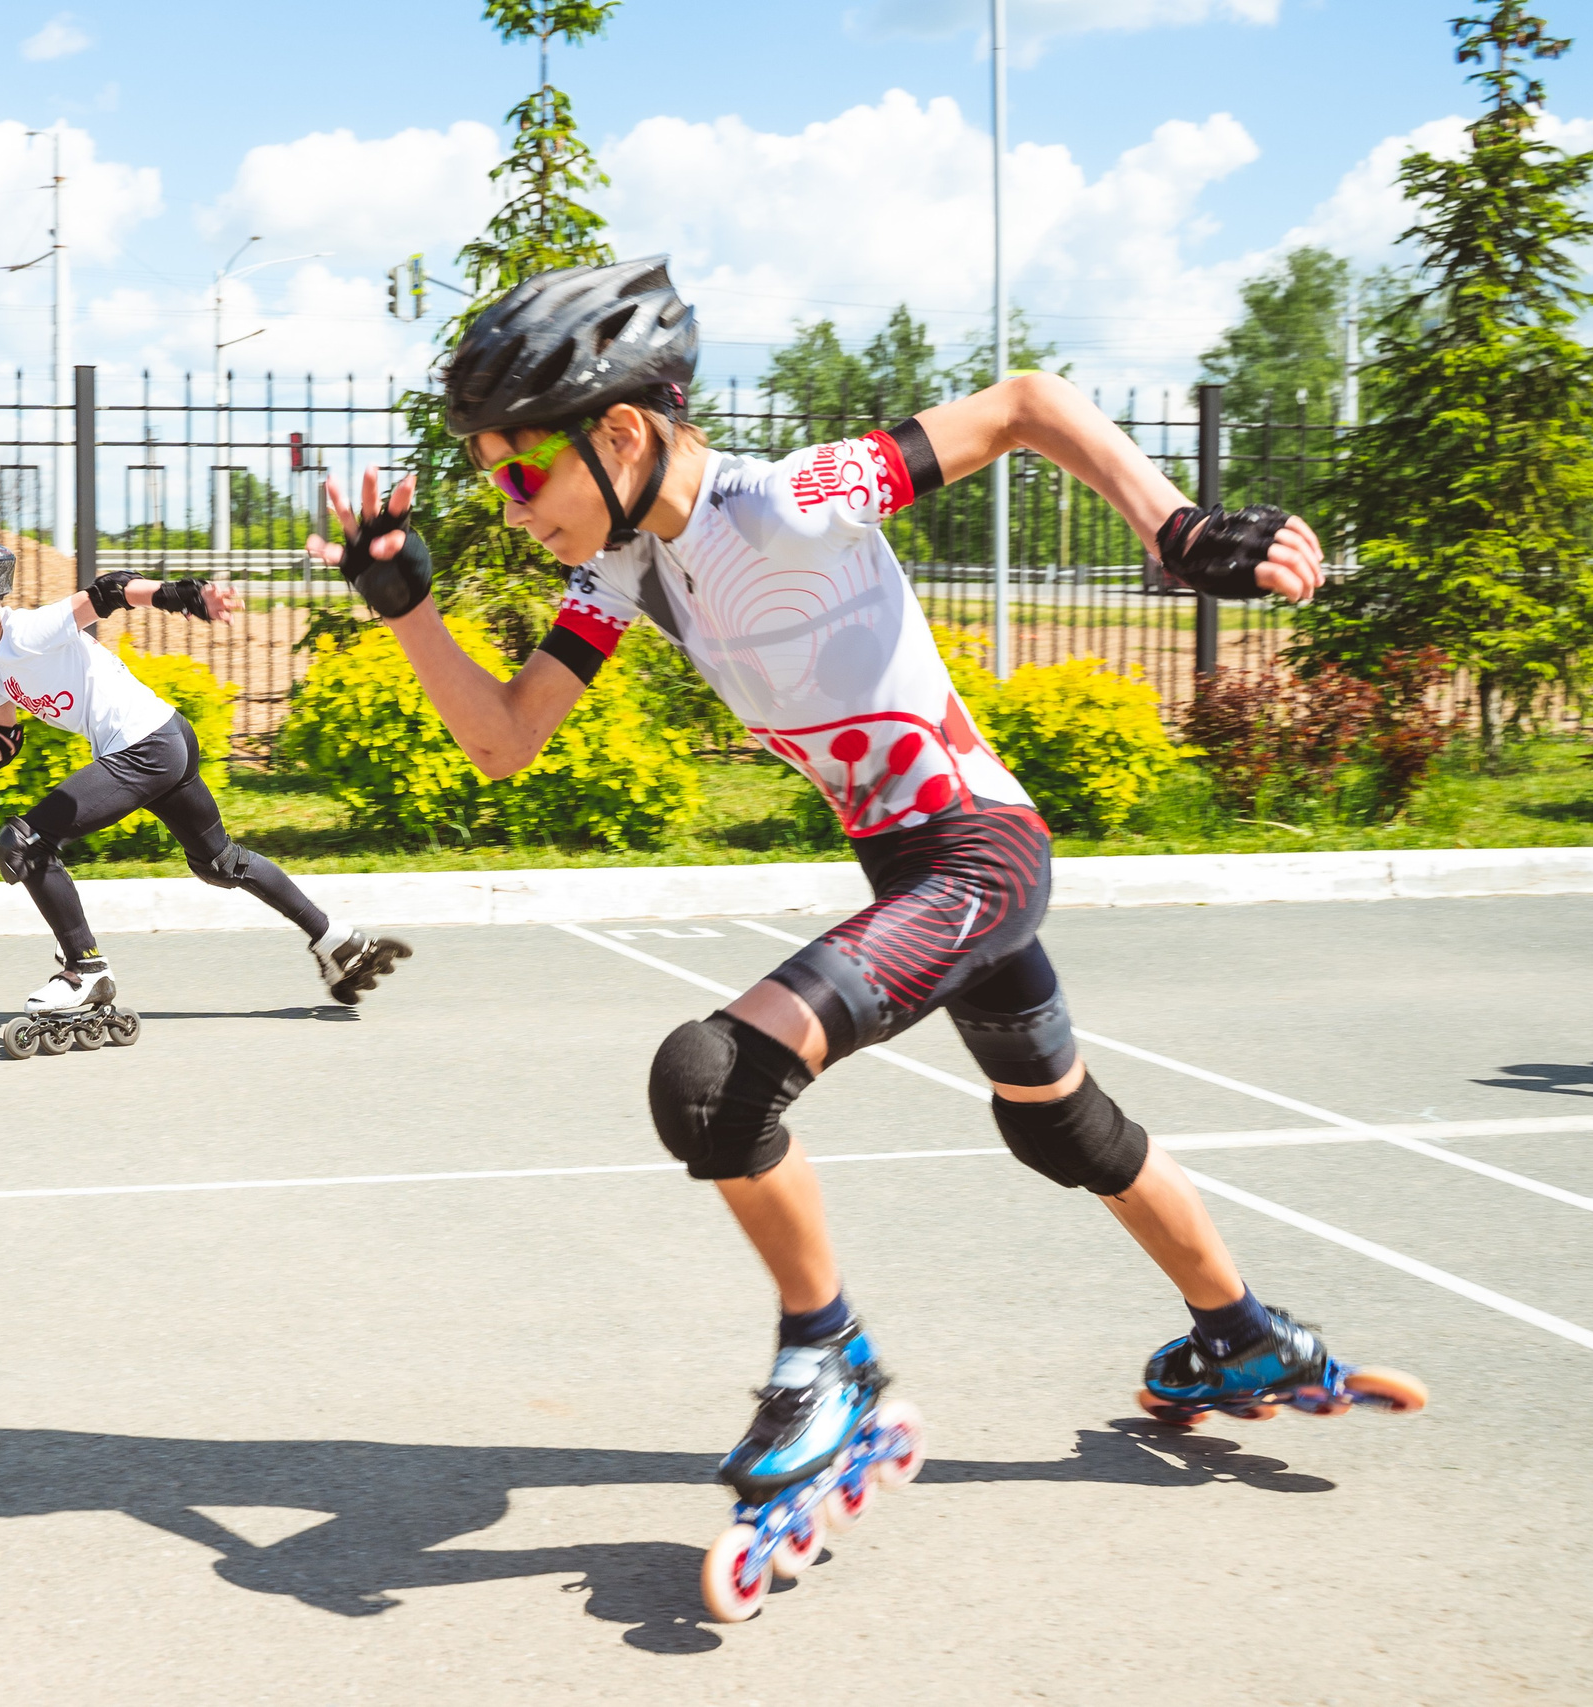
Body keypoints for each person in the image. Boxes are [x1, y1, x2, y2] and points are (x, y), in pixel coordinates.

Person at [305, 258, 1421, 1521]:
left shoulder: (785, 502)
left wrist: (1172, 527)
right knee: (1058, 1123)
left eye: (518, 471)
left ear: (618, 433)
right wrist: (403, 607)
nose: (509, 509)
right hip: (916, 870)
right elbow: (505, 738)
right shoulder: (628, 574)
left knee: (713, 1083)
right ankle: (1239, 1336)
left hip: (977, 854)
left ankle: (828, 1355)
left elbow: (1023, 403)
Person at [0, 534, 411, 1013]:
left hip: (146, 747)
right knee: (219, 863)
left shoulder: (23, 632)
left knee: (22, 842)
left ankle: (84, 971)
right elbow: (3, 745)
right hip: (166, 737)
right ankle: (337, 940)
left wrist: (182, 595)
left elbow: (108, 592)